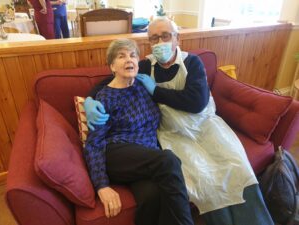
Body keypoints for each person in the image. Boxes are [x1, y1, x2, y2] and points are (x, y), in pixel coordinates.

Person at [84, 18, 275, 225]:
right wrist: (89, 100)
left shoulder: (186, 64)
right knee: (189, 171)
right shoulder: (142, 70)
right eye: (154, 38)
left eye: (165, 36)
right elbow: (112, 81)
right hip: (154, 141)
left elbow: (197, 102)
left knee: (234, 168)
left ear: (177, 37)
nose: (160, 42)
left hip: (198, 129)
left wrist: (156, 91)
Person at [83, 38, 194, 225]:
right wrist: (101, 186)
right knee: (168, 159)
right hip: (116, 154)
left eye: (133, 55)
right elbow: (93, 144)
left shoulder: (144, 85)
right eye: (121, 56)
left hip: (144, 157)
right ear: (112, 66)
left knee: (152, 196)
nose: (129, 60)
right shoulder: (104, 97)